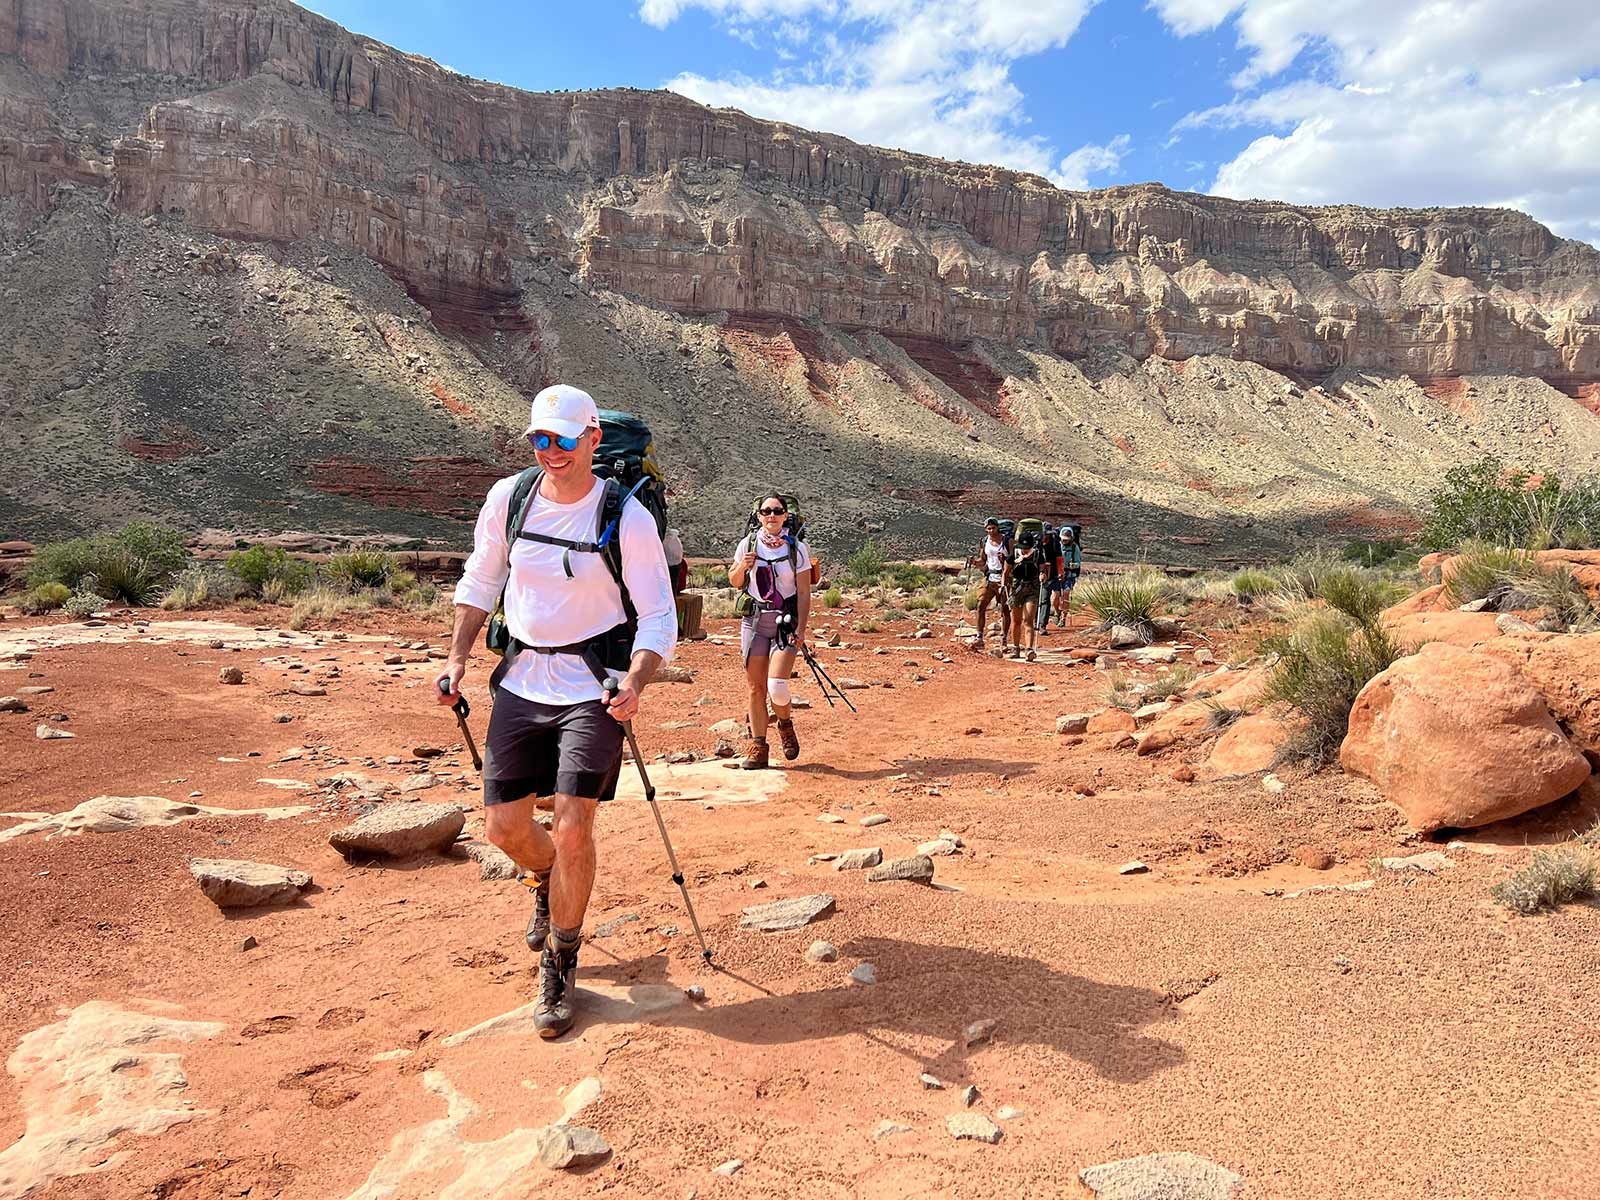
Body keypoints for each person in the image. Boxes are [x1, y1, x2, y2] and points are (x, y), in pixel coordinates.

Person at [438, 383, 677, 1040]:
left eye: (564, 441)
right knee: (503, 830)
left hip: (593, 687)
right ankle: (545, 880)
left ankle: (562, 960)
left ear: (593, 440)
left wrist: (638, 680)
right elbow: (481, 579)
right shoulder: (508, 499)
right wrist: (458, 657)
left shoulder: (624, 516)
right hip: (521, 678)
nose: (552, 453)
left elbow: (659, 615)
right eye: (540, 440)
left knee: (574, 828)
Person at [728, 493, 812, 769]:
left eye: (777, 511)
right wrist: (743, 566)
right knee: (755, 688)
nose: (772, 516)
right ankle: (758, 745)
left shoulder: (797, 549)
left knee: (777, 685)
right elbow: (734, 580)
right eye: (766, 511)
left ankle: (785, 723)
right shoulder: (748, 545)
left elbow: (803, 591)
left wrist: (801, 629)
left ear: (786, 515)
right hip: (754, 620)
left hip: (785, 622)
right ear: (759, 516)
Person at [970, 518, 1011, 653]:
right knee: (980, 604)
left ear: (997, 528)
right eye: (988, 528)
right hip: (989, 577)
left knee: (1004, 609)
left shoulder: (1007, 541)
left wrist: (1004, 560)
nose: (991, 531)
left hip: (1004, 578)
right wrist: (974, 562)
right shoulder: (985, 541)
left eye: (993, 528)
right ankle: (979, 637)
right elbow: (983, 560)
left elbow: (1013, 560)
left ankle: (1004, 639)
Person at [1008, 530, 1043, 661]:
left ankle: (1029, 649)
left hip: (1032, 589)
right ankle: (1016, 648)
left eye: (1027, 548)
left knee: (1028, 620)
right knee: (1016, 621)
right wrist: (1003, 583)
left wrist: (1043, 574)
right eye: (1023, 547)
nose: (1025, 550)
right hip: (1016, 589)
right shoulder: (1014, 553)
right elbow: (1007, 569)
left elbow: (1043, 568)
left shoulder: (1038, 554)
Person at [1056, 524, 1083, 628]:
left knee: (1066, 594)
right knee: (1056, 596)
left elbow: (1078, 562)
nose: (1064, 541)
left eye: (1066, 540)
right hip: (1057, 574)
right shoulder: (1057, 545)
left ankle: (1063, 617)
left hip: (1069, 575)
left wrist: (1072, 565)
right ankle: (1057, 613)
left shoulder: (1074, 547)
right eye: (1063, 539)